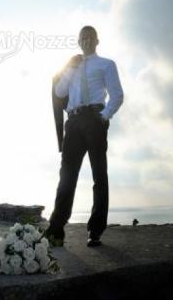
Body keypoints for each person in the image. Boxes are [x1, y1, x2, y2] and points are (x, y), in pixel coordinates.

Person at [45, 25, 123, 247]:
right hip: (73, 121)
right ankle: (56, 230)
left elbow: (117, 95)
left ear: (97, 41)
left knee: (99, 174)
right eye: (83, 38)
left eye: (90, 37)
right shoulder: (72, 66)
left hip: (95, 118)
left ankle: (95, 231)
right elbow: (60, 92)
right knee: (67, 175)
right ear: (79, 42)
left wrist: (104, 116)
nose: (87, 41)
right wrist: (69, 68)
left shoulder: (107, 64)